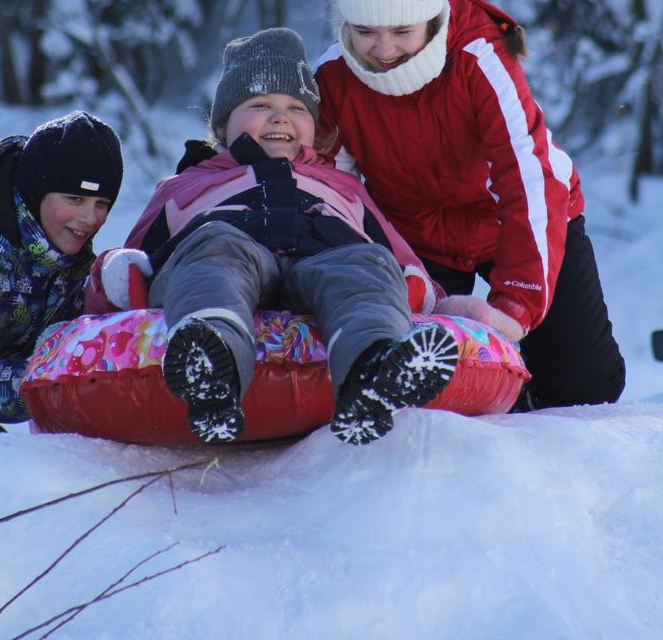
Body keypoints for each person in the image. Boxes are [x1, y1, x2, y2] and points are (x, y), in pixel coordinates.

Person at [314, 0, 626, 411]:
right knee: (424, 387)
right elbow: (332, 188)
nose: (383, 49)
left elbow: (528, 176)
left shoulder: (478, 56)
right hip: (416, 236)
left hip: (516, 220)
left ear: (431, 15)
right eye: (365, 30)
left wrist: (513, 310)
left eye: (401, 30)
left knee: (582, 388)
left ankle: (529, 381)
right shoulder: (336, 76)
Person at [85, 28, 460, 446]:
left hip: (325, 256)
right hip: (231, 253)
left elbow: (397, 257)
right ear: (225, 126)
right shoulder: (186, 186)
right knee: (211, 252)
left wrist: (417, 287)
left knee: (362, 265)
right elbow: (133, 262)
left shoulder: (343, 187)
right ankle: (213, 361)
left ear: (313, 126)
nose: (280, 116)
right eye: (261, 104)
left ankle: (371, 369)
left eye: (296, 107)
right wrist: (115, 278)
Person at [0, 111, 123, 426]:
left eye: (102, 203)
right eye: (75, 198)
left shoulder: (73, 267)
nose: (90, 218)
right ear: (36, 191)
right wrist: (49, 377)